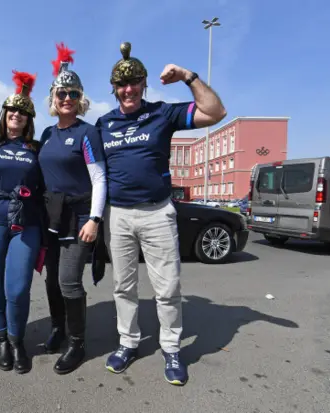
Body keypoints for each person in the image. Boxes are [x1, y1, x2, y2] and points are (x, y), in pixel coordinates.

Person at [96, 42, 227, 385]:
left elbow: (215, 113)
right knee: (123, 286)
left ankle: (171, 348)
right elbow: (90, 169)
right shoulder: (103, 123)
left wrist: (187, 76)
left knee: (167, 288)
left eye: (134, 83)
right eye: (122, 85)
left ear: (143, 84)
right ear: (114, 90)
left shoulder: (162, 114)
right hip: (118, 215)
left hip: (157, 213)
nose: (128, 89)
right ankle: (128, 342)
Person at [38, 43, 107, 374]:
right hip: (51, 218)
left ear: (81, 98)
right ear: (53, 97)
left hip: (79, 218)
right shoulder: (47, 133)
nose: (67, 98)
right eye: (62, 92)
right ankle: (57, 329)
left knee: (68, 281)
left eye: (73, 93)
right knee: (52, 281)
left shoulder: (87, 132)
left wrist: (95, 218)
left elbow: (99, 179)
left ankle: (77, 343)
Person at [0, 70, 43, 374]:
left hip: (26, 221)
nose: (16, 115)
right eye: (12, 110)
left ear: (29, 119)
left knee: (17, 287)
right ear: (4, 114)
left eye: (23, 112)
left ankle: (17, 340)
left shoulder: (36, 148)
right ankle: (0, 338)